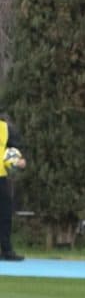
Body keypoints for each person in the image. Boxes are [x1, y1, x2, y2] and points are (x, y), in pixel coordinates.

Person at [0, 112, 27, 261]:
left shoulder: (5, 128)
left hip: (1, 178)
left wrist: (20, 160)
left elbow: (16, 148)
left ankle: (6, 250)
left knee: (4, 215)